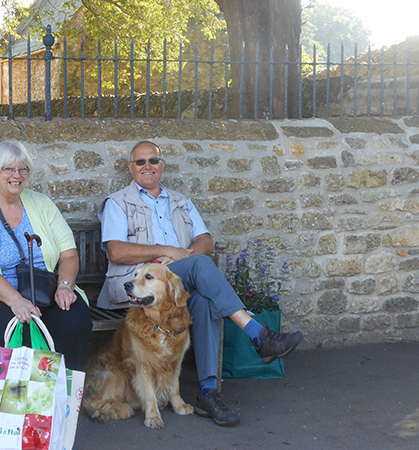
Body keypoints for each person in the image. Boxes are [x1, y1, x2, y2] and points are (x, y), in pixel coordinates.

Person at [97, 140, 303, 426]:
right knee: (199, 265)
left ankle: (207, 393)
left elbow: (205, 241)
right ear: (131, 167)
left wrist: (183, 260)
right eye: (140, 162)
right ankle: (258, 334)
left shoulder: (181, 202)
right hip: (139, 285)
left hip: (176, 285)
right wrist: (166, 252)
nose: (147, 166)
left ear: (162, 165)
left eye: (153, 161)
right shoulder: (118, 203)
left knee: (204, 297)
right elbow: (117, 251)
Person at [0, 141, 92, 371]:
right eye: (8, 169)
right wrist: (16, 300)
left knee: (75, 321)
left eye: (22, 169)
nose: (17, 175)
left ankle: (64, 395)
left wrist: (64, 286)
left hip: (46, 288)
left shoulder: (42, 204)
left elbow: (69, 254)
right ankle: (22, 401)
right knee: (21, 330)